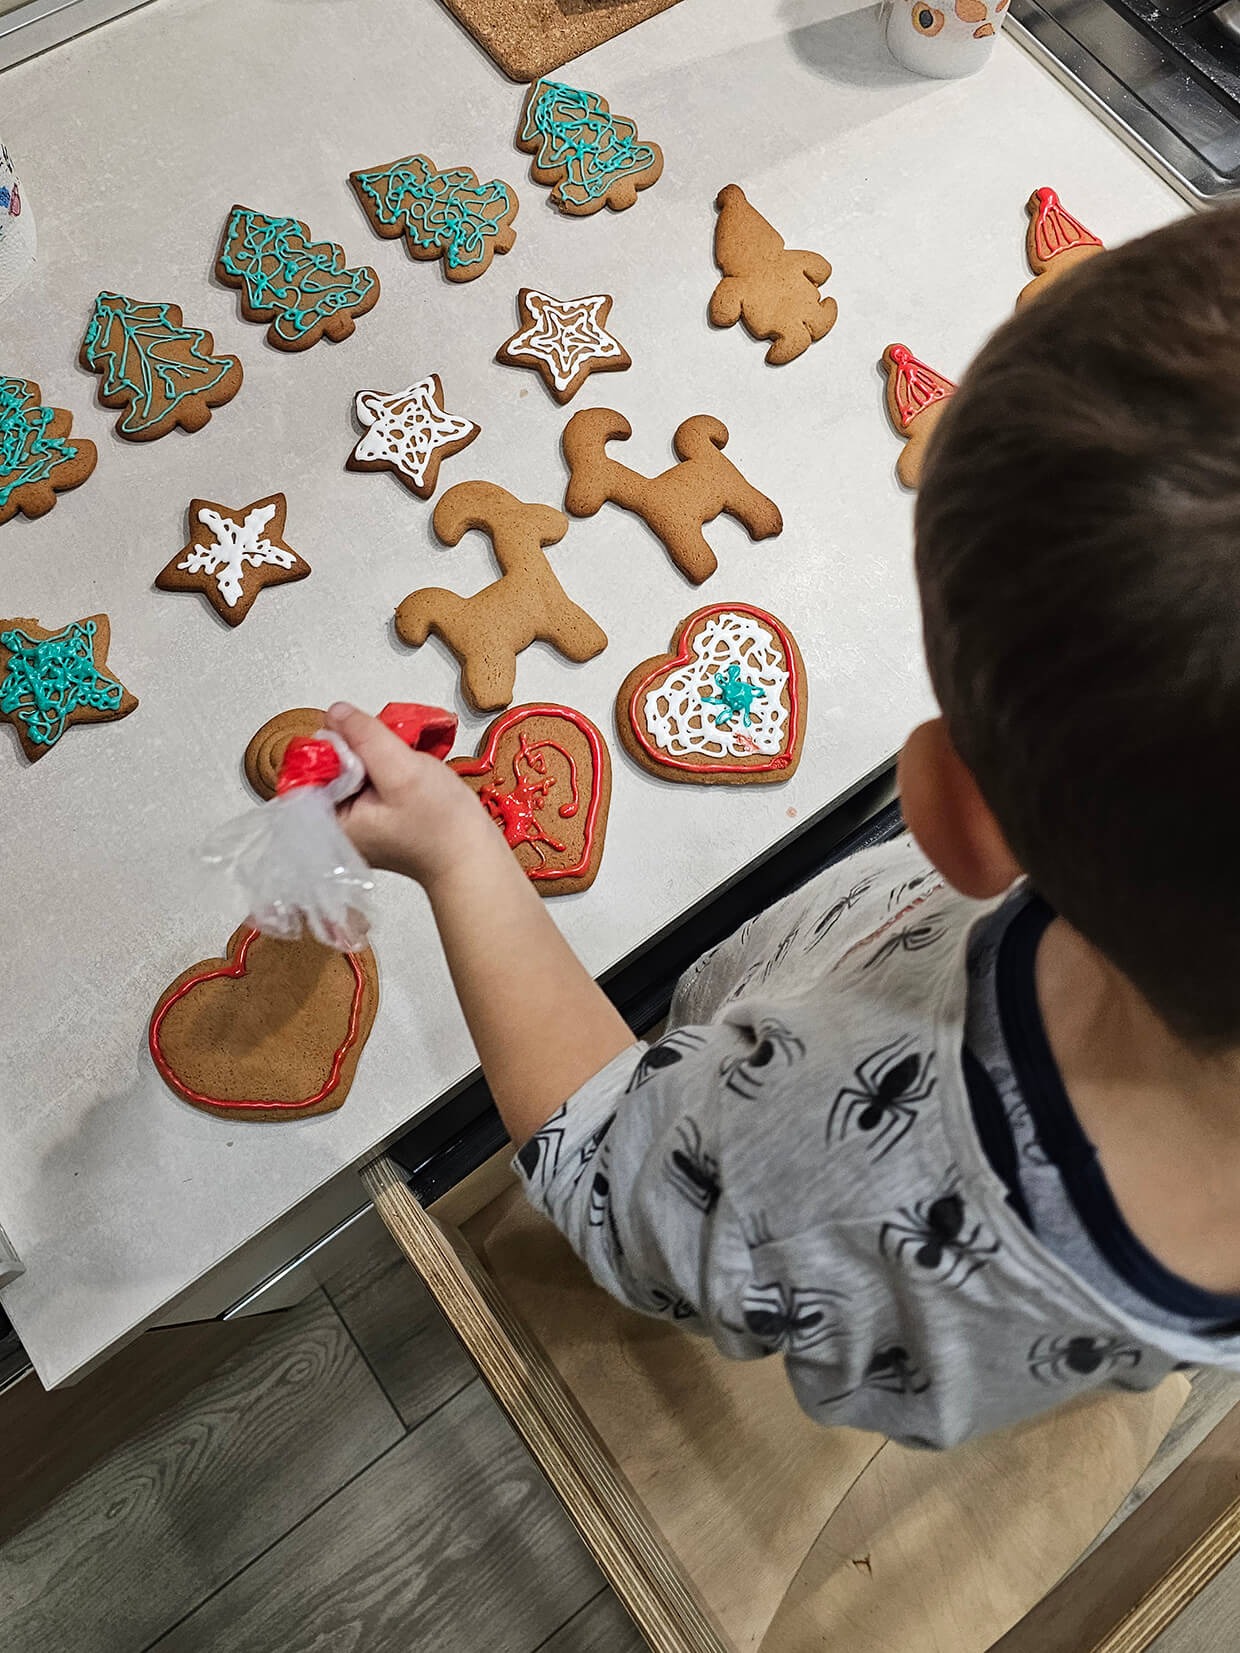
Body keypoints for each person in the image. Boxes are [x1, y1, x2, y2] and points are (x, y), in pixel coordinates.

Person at [325, 205, 1240, 1447]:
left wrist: (456, 849)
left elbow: (608, 1166)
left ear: (952, 814)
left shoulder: (835, 1171)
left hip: (790, 1120)